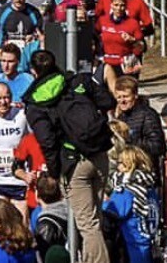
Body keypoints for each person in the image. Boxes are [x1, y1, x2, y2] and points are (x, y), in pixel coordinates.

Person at [22, 49, 113, 263]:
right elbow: (108, 101)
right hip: (99, 154)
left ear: (34, 71)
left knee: (88, 224)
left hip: (73, 164)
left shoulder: (35, 105)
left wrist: (55, 172)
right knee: (95, 218)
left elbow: (47, 142)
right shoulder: (77, 80)